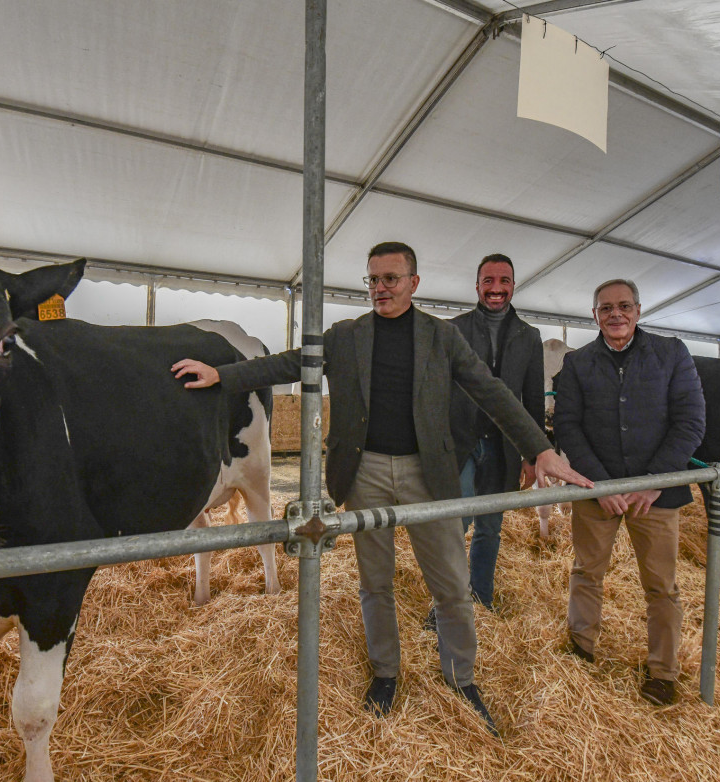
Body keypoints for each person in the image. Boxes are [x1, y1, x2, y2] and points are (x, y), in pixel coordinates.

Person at [172, 242, 592, 732]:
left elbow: (490, 390)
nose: (380, 288)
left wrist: (538, 448)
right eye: (373, 279)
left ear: (415, 283)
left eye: (391, 279)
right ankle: (386, 673)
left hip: (428, 473)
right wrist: (223, 374)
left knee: (452, 585)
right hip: (364, 470)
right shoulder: (346, 336)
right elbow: (289, 363)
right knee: (375, 581)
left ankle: (461, 678)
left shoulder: (442, 337)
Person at [553, 278, 705, 706]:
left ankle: (662, 671)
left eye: (623, 306)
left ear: (638, 310)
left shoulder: (671, 353)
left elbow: (690, 421)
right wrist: (600, 484)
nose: (615, 314)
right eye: (606, 308)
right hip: (595, 491)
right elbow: (567, 426)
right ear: (594, 315)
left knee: (661, 585)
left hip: (654, 496)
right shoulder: (578, 362)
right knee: (586, 572)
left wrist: (653, 481)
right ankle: (581, 648)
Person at [449, 253, 544, 611]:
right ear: (477, 286)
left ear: (513, 286)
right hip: (463, 444)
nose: (496, 289)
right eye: (488, 281)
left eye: (503, 281)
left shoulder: (530, 337)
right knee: (455, 526)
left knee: (490, 527)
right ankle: (447, 602)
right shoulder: (453, 329)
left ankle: (482, 599)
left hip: (504, 445)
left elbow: (533, 399)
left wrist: (533, 455)